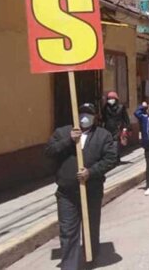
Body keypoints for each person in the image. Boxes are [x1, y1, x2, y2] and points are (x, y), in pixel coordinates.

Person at [45, 103, 118, 270]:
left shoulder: (103, 135)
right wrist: (68, 140)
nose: (85, 117)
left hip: (92, 191)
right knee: (68, 230)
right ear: (76, 115)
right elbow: (49, 152)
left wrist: (91, 172)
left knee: (90, 227)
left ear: (95, 117)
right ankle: (69, 265)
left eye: (89, 114)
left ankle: (90, 259)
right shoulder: (62, 132)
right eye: (82, 113)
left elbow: (111, 159)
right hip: (67, 193)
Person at [101, 91, 131, 163]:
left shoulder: (121, 107)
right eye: (109, 98)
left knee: (115, 144)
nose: (110, 100)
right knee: (108, 144)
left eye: (112, 98)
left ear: (116, 99)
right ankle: (111, 158)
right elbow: (103, 118)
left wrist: (125, 128)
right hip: (108, 128)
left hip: (118, 128)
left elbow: (126, 119)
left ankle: (116, 159)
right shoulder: (105, 107)